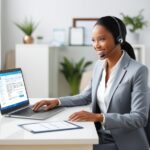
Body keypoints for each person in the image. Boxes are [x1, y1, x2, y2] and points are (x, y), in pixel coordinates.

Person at [32, 16, 149, 150]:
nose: (96, 45)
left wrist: (99, 117)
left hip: (123, 143)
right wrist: (56, 101)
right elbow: (85, 96)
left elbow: (139, 118)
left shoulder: (138, 70)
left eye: (102, 39)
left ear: (119, 39)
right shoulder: (99, 65)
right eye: (93, 40)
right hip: (98, 135)